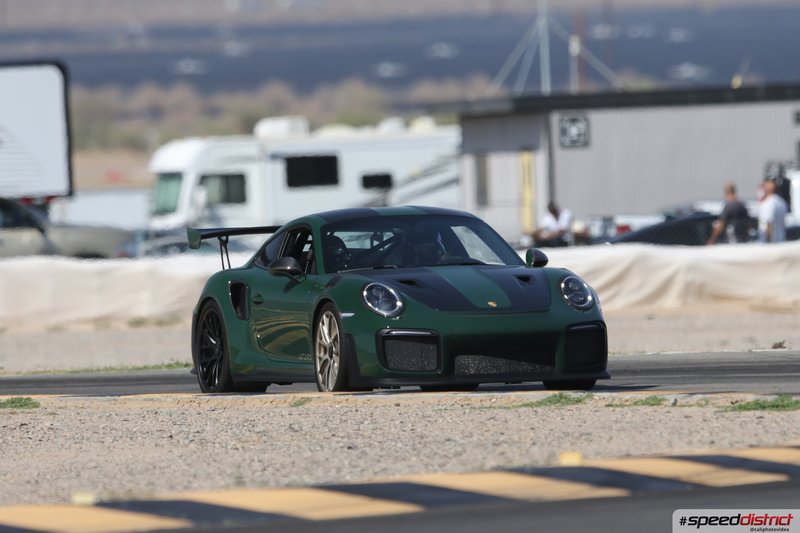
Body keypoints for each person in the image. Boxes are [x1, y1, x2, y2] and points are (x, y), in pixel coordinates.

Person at [758, 178, 789, 243]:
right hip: (781, 239)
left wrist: (768, 242)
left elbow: (769, 223)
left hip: (771, 242)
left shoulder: (769, 203)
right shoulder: (781, 202)